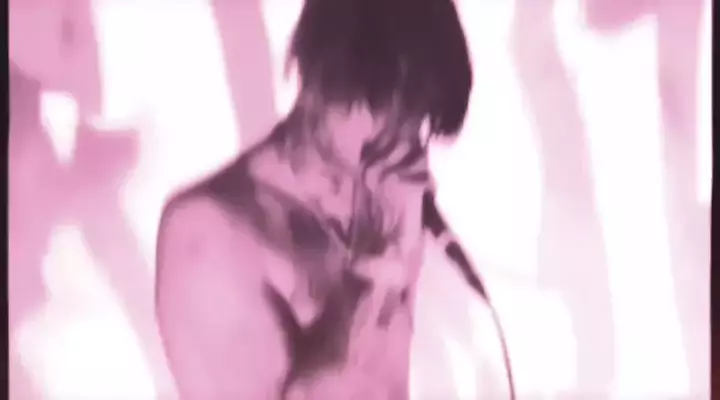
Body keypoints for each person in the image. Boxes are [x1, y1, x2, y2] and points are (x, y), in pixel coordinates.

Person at [155, 0, 472, 398]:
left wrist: (399, 249)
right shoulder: (208, 238)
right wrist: (374, 271)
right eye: (385, 104)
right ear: (322, 79)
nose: (405, 141)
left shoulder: (377, 202)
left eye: (417, 119)